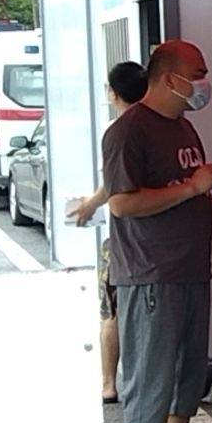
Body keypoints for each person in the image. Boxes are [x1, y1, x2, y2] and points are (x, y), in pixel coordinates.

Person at [104, 40, 212, 423]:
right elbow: (121, 203)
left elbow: (181, 192)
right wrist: (192, 187)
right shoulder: (128, 132)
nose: (203, 83)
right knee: (150, 373)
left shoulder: (184, 126)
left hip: (189, 267)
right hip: (150, 273)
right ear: (168, 78)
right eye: (197, 73)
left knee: (186, 371)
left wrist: (207, 199)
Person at [73, 61, 150, 404]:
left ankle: (109, 383)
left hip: (122, 241)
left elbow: (114, 189)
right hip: (154, 241)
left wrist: (90, 203)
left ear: (113, 93)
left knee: (111, 314)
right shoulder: (158, 127)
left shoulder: (119, 131)